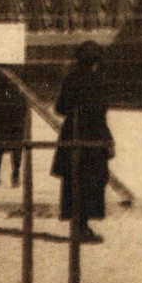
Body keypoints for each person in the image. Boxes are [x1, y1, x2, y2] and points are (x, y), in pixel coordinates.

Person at [51, 41, 114, 242]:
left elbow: (59, 108)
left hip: (73, 134)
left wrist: (75, 111)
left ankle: (77, 225)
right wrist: (108, 139)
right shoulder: (98, 81)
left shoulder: (71, 79)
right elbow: (100, 113)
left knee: (73, 180)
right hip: (92, 136)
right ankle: (83, 227)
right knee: (92, 181)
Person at [0, 68, 27, 187]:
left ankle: (13, 174)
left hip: (10, 107)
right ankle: (0, 175)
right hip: (3, 106)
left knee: (10, 144)